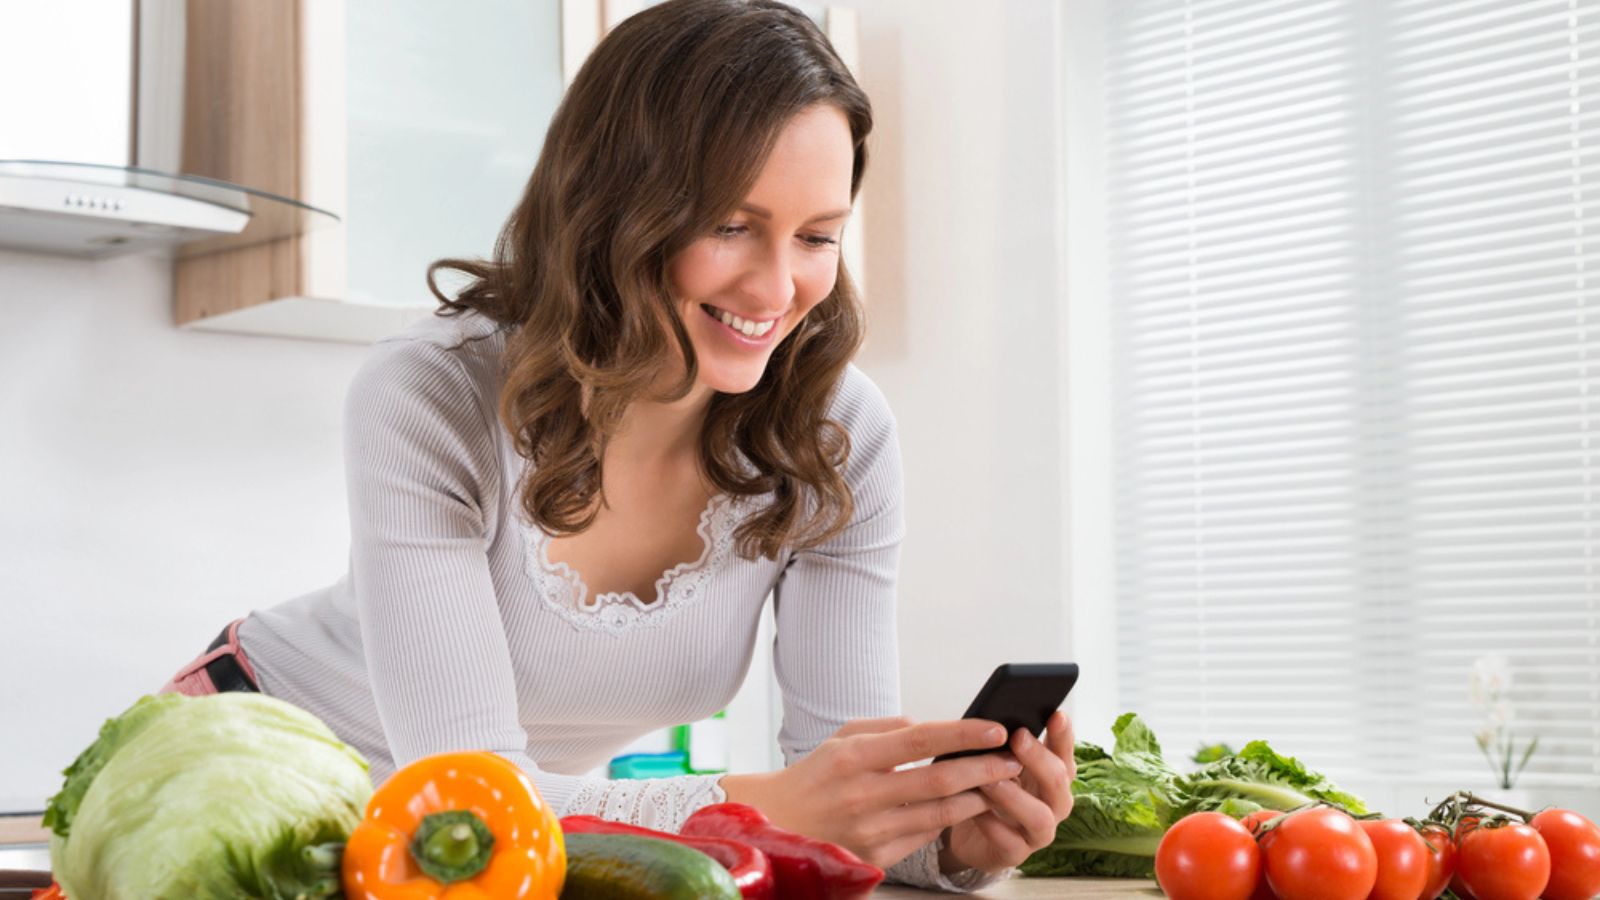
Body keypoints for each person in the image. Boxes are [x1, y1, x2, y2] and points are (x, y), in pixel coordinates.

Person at [158, 0, 1075, 889]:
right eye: (730, 225)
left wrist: (956, 838)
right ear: (616, 206)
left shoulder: (838, 434)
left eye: (817, 237)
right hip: (246, 765)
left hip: (489, 852)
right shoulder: (432, 394)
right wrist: (768, 809)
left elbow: (842, 789)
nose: (776, 286)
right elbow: (468, 798)